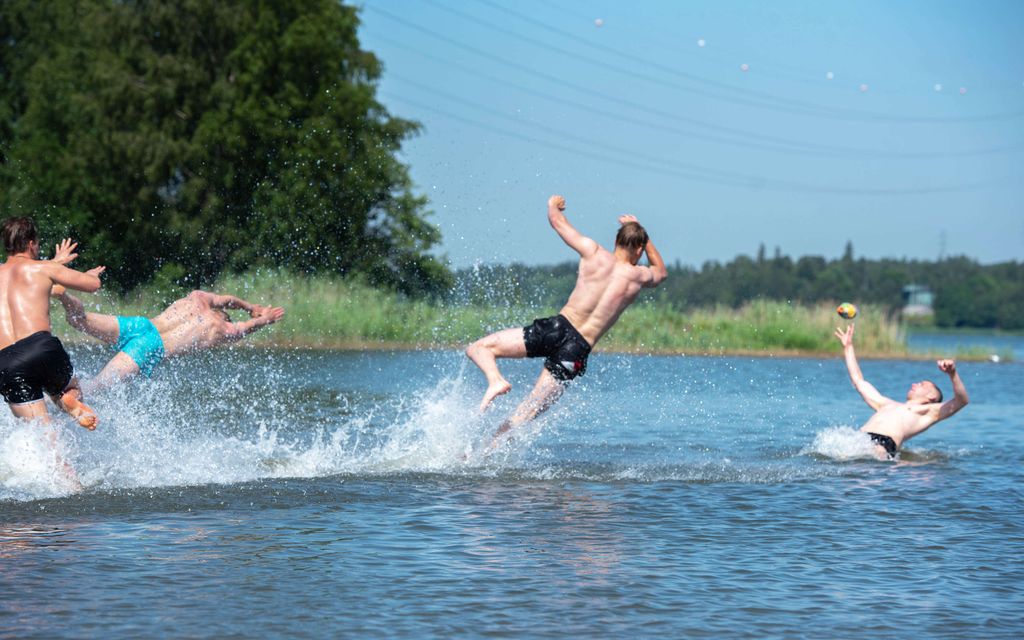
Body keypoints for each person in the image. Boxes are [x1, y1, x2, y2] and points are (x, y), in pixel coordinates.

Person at [466, 194, 667, 447]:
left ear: (616, 240)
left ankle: (495, 380)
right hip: (576, 349)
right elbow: (661, 272)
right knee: (524, 415)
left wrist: (553, 205)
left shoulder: (592, 252)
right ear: (639, 249)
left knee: (478, 348)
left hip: (557, 328)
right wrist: (645, 237)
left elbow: (558, 223)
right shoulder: (637, 277)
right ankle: (483, 455)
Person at [51, 286, 285, 391]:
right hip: (150, 347)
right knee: (95, 387)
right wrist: (265, 320)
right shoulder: (219, 328)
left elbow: (227, 298)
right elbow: (242, 329)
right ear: (226, 318)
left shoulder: (198, 297)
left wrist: (250, 306)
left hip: (140, 325)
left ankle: (63, 296)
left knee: (77, 319)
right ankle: (58, 406)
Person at [0, 218, 103, 429]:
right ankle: (68, 400)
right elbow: (93, 285)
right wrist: (90, 275)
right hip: (41, 348)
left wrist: (55, 263)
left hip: (6, 362)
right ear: (31, 244)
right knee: (69, 392)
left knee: (44, 441)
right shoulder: (44, 268)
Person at [834, 323, 969, 459]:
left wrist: (953, 374)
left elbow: (961, 401)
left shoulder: (929, 412)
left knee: (866, 464)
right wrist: (848, 347)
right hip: (860, 439)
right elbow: (858, 381)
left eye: (922, 384)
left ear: (932, 395)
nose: (915, 384)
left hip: (883, 445)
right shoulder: (885, 404)